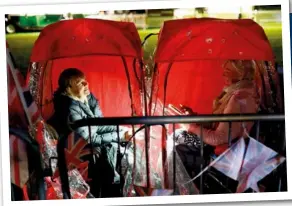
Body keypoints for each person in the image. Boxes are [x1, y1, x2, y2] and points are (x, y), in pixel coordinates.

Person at [48, 68, 131, 197]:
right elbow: (88, 138)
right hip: (77, 149)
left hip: (89, 139)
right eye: (80, 83)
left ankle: (122, 185)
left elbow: (99, 123)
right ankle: (112, 189)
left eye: (85, 80)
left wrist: (121, 130)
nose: (86, 84)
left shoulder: (87, 96)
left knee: (124, 140)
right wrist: (118, 136)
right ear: (69, 88)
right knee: (111, 146)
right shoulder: (69, 108)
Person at [174, 60, 261, 177]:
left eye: (228, 72)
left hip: (225, 162)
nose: (223, 75)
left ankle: (182, 192)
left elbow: (218, 138)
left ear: (241, 74)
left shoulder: (239, 98)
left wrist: (191, 126)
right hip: (224, 155)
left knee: (176, 144)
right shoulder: (241, 92)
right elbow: (219, 126)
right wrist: (193, 118)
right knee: (178, 138)